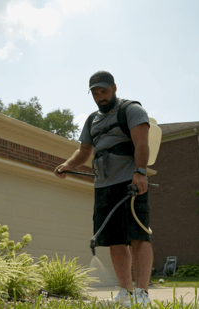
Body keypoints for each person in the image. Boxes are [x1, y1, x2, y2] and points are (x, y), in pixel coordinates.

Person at [54, 71, 153, 307]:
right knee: (115, 241)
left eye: (104, 91)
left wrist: (140, 172)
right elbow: (84, 152)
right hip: (103, 186)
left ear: (114, 88)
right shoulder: (92, 120)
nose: (100, 97)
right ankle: (125, 294)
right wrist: (67, 166)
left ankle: (142, 293)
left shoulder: (131, 110)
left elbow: (142, 144)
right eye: (95, 93)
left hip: (129, 184)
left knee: (138, 236)